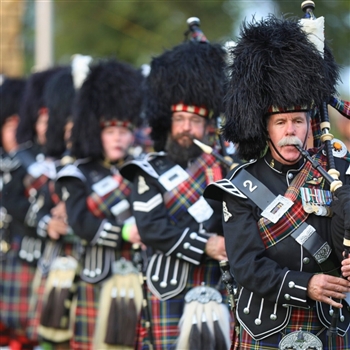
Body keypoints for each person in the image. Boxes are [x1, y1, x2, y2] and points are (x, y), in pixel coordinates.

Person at [204, 15, 350, 349]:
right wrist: (305, 285)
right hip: (266, 330)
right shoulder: (240, 185)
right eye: (280, 121)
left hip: (331, 325)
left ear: (309, 123)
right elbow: (246, 266)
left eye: (298, 120)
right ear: (264, 127)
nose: (290, 131)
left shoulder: (339, 172)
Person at [120, 38, 233, 350]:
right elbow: (152, 228)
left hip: (219, 280)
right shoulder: (148, 170)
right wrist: (207, 243)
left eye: (194, 121)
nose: (186, 129)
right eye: (180, 120)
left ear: (208, 126)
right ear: (167, 125)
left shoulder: (225, 166)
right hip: (168, 284)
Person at [55, 58, 145, 350]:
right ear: (97, 133)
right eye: (111, 131)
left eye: (124, 131)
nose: (119, 138)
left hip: (137, 272)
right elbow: (81, 224)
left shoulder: (142, 170)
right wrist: (122, 233)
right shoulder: (76, 173)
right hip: (95, 275)